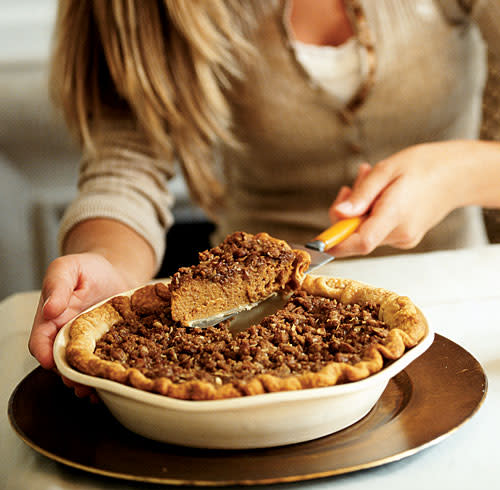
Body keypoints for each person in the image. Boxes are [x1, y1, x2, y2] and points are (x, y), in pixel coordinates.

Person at [29, 0, 500, 396]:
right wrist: (108, 263)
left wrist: (456, 174)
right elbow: (125, 164)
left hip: (460, 302)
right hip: (237, 306)